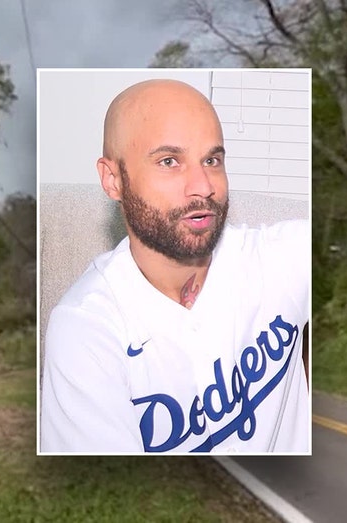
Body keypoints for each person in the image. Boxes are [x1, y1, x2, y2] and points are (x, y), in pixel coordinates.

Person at [40, 79, 310, 453]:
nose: (203, 186)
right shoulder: (86, 328)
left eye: (212, 160)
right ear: (112, 179)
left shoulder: (278, 259)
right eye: (169, 161)